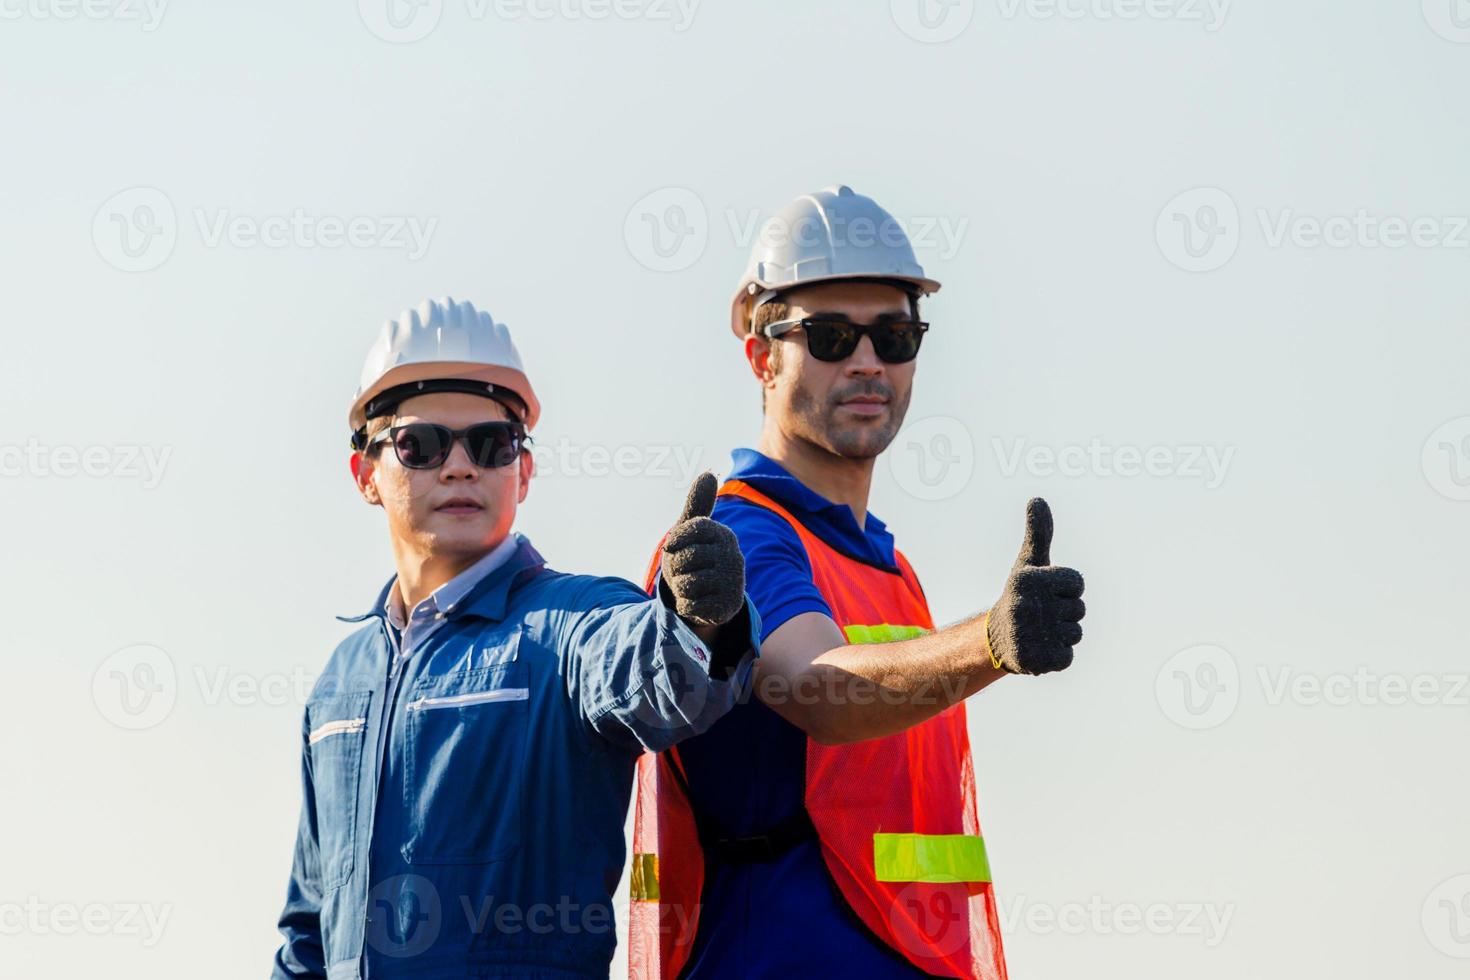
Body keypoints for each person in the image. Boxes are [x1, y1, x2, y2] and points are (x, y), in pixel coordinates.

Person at [630, 187, 1088, 979]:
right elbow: (817, 690)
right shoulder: (744, 534)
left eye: (896, 335)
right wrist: (990, 642)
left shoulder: (885, 566)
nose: (868, 361)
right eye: (832, 336)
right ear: (761, 355)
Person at [272, 297, 759, 979]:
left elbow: (648, 667)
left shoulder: (569, 624)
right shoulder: (340, 684)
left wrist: (697, 620)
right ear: (366, 476)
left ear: (523, 472)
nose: (461, 466)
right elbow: (308, 931)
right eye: (421, 444)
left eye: (492, 443)